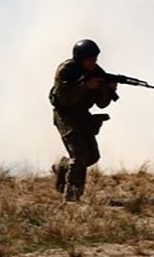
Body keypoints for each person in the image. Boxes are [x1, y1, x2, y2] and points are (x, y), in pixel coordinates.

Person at [49, 39, 117, 201]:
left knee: (92, 156)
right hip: (65, 115)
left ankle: (63, 167)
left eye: (95, 58)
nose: (94, 61)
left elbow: (101, 104)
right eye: (90, 58)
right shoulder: (66, 70)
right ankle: (72, 196)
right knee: (80, 156)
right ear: (80, 58)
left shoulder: (97, 72)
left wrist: (107, 90)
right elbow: (64, 97)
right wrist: (85, 86)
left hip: (82, 115)